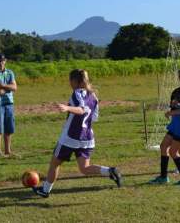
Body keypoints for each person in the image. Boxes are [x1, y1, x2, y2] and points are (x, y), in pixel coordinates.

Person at [33, 69, 122, 198]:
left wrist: (67, 108)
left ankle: (45, 190)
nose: (69, 83)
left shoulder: (77, 94)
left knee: (54, 163)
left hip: (70, 137)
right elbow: (94, 117)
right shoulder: (93, 96)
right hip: (87, 137)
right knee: (84, 168)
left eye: (70, 80)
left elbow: (82, 109)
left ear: (75, 81)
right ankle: (110, 171)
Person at [0, 53, 17, 156]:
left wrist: (3, 85)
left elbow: (15, 88)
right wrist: (9, 88)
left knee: (9, 128)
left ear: (5, 61)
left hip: (9, 103)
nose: (1, 62)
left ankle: (7, 150)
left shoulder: (10, 72)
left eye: (2, 60)